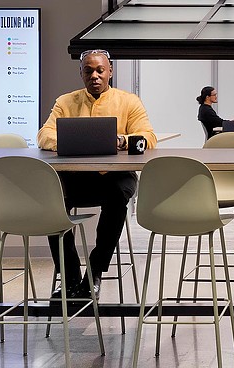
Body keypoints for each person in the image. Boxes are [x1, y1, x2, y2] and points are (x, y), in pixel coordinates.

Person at [37, 48, 157, 299]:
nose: (95, 76)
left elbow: (148, 138)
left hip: (114, 177)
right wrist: (70, 141)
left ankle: (94, 271)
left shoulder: (129, 101)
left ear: (110, 72)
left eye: (100, 70)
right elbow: (44, 136)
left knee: (116, 199)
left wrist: (122, 141)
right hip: (75, 177)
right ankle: (69, 277)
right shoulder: (65, 102)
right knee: (51, 201)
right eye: (88, 70)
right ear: (80, 73)